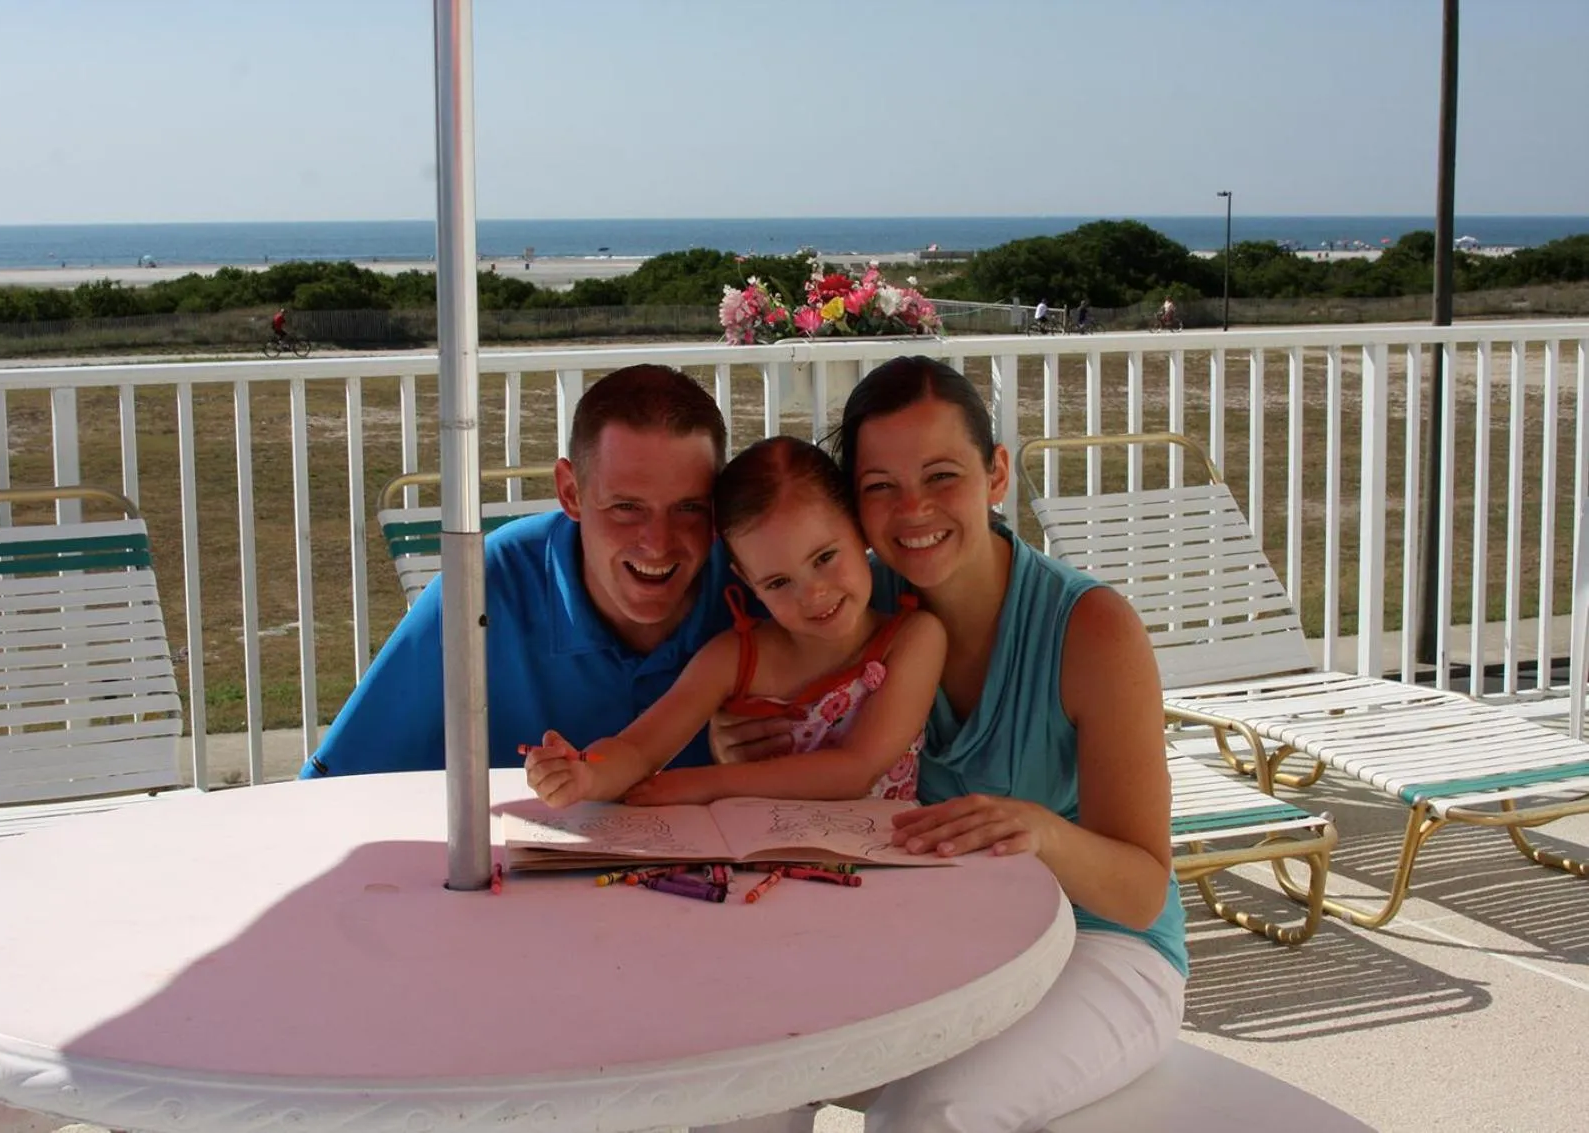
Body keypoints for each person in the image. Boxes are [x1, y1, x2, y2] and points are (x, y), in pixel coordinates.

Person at [710, 356, 1187, 1133]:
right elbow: (811, 769)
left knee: (932, 1114)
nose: (913, 509)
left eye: (941, 475)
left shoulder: (1091, 630)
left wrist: (1043, 831)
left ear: (996, 474)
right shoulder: (852, 610)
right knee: (742, 1069)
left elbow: (1141, 890)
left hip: (1102, 949)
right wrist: (747, 746)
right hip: (940, 934)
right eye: (879, 487)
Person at [300, 364, 737, 779]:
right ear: (571, 493)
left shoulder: (763, 583)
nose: (658, 543)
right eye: (626, 508)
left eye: (689, 509)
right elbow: (337, 783)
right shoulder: (486, 587)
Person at [522, 436, 944, 809]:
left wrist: (705, 784)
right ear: (748, 582)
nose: (813, 593)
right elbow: (637, 750)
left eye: (824, 558)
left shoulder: (912, 639)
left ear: (860, 530)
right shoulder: (735, 658)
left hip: (884, 878)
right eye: (778, 582)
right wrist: (586, 772)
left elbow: (857, 769)